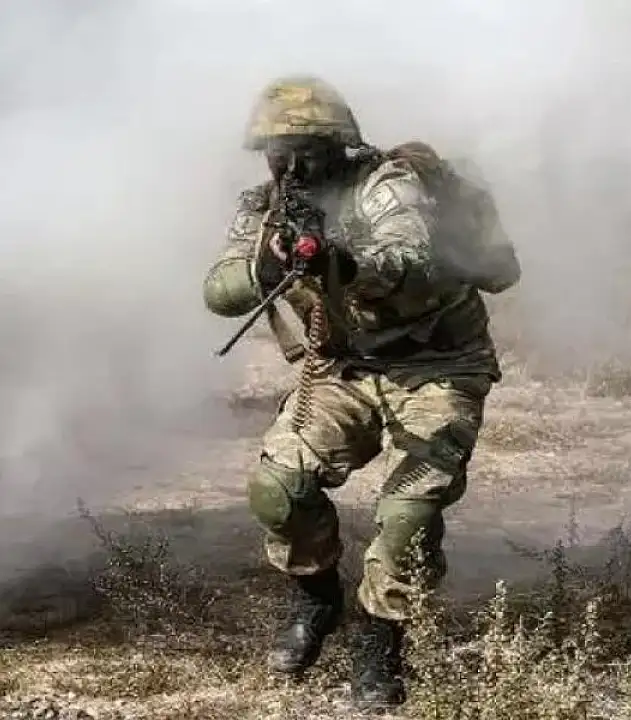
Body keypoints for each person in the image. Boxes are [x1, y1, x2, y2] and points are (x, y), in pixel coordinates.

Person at [203, 75, 520, 708]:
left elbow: (410, 256)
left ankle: (379, 639)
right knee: (278, 488)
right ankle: (316, 598)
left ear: (339, 145)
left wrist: (341, 262)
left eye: (307, 150)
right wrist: (267, 263)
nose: (293, 166)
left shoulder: (386, 185)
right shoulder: (263, 207)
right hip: (343, 368)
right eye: (278, 152)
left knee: (408, 511)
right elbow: (219, 291)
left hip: (436, 366)